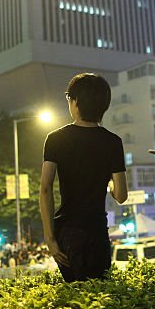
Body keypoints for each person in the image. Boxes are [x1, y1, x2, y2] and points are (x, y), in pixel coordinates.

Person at [40, 73, 128, 282]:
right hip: (97, 230)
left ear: (75, 101)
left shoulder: (55, 139)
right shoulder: (113, 142)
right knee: (99, 298)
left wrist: (49, 237)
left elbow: (45, 189)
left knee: (77, 302)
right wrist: (104, 180)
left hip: (68, 230)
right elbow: (121, 196)